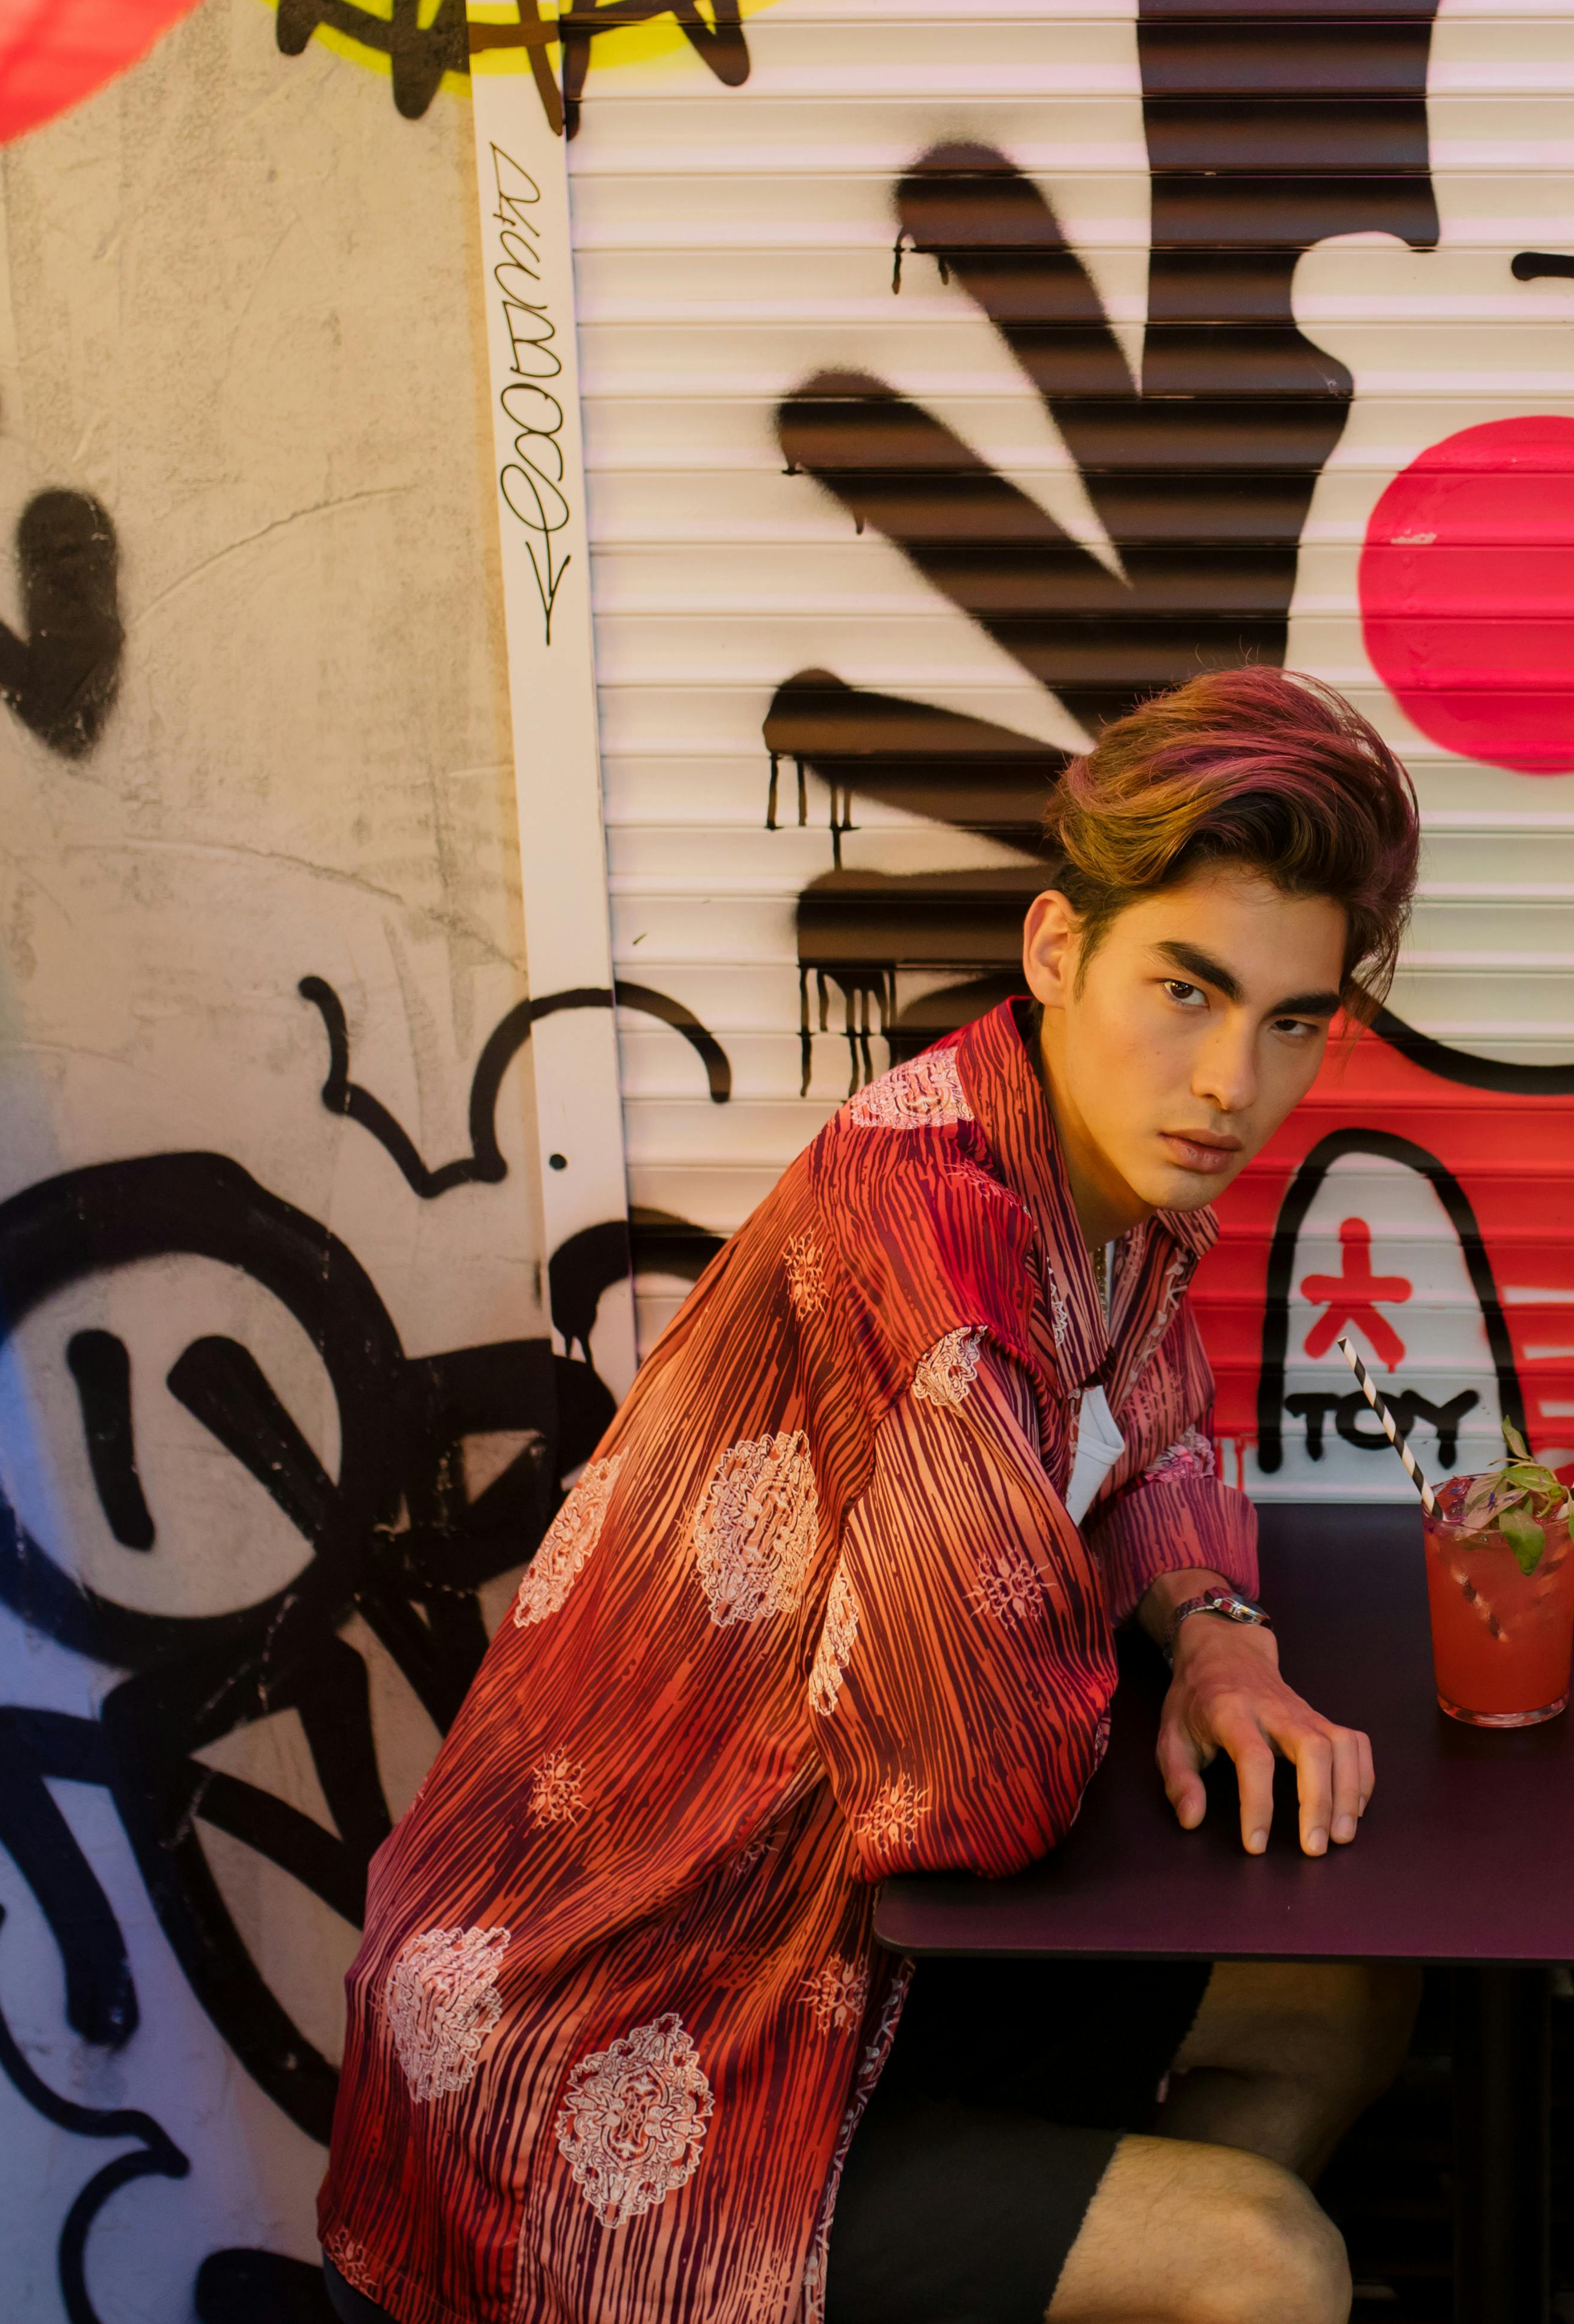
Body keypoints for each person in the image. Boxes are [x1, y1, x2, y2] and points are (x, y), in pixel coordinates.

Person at [318, 669, 1425, 2324]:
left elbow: (1169, 1432)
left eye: (1287, 1021)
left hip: (841, 1958)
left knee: (1346, 2004)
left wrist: (1216, 1644)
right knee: (1266, 2265)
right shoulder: (938, 1246)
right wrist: (1064, 1600)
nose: (1231, 1084)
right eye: (1184, 992)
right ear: (1059, 949)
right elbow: (965, 1793)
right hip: (616, 2039)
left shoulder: (1084, 1153)